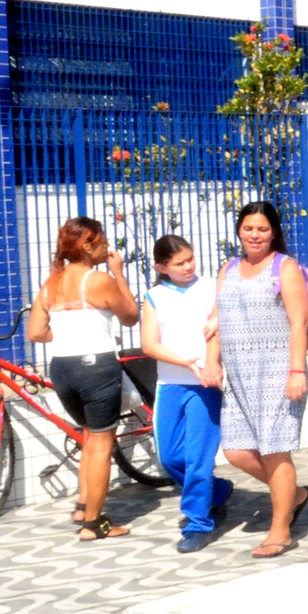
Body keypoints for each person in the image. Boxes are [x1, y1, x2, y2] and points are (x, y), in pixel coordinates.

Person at [206, 201, 308, 558]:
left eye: (263, 229)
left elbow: (299, 322)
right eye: (248, 228)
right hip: (239, 376)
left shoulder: (285, 267)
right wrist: (212, 361)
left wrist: (296, 371)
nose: (255, 235)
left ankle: (280, 529)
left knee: (274, 450)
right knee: (236, 450)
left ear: (274, 232)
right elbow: (215, 321)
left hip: (277, 373)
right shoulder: (228, 269)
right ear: (239, 230)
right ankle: (293, 494)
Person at [24, 217, 141, 541]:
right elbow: (130, 316)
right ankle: (93, 523)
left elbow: (36, 332)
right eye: (103, 241)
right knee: (102, 443)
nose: (107, 246)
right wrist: (119, 274)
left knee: (89, 437)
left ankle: (82, 506)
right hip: (96, 367)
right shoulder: (99, 280)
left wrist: (67, 335)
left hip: (62, 367)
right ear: (88, 246)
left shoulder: (52, 283)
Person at [139, 234, 230, 553]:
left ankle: (198, 523)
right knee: (170, 457)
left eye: (190, 259)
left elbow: (216, 330)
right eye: (179, 263)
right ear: (161, 267)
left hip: (205, 384)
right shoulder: (153, 297)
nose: (188, 266)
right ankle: (218, 491)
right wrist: (185, 362)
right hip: (170, 385)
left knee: (198, 458)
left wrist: (209, 364)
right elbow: (149, 344)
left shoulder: (210, 288)